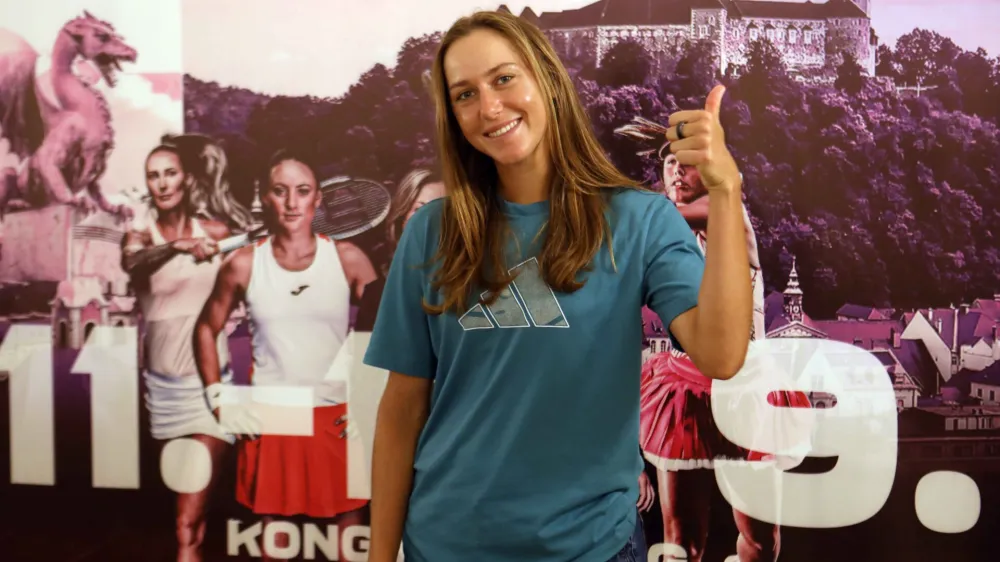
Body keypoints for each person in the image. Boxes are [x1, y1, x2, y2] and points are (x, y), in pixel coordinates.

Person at [363, 10, 753, 562]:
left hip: (592, 548)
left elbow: (721, 354)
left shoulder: (641, 220)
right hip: (444, 544)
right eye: (465, 94)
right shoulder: (430, 231)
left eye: (503, 79)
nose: (489, 107)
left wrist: (726, 190)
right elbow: (401, 410)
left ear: (547, 78)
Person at [193, 149, 377, 561]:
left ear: (318, 199)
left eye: (303, 191)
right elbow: (206, 328)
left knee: (350, 545)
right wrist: (218, 398)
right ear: (265, 197)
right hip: (273, 413)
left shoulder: (348, 258)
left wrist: (369, 401)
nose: (292, 202)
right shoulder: (243, 263)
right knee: (273, 544)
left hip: (336, 414)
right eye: (280, 191)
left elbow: (387, 332)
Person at [639, 152, 811, 562]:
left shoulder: (729, 214)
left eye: (689, 162)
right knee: (680, 544)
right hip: (684, 384)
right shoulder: (663, 240)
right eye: (669, 163)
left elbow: (646, 220)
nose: (677, 170)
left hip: (745, 384)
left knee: (759, 542)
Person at [120, 137, 237, 562]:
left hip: (209, 390)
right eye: (154, 176)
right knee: (188, 521)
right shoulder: (139, 237)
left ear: (186, 179)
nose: (163, 183)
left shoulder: (217, 233)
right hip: (163, 393)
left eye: (170, 173)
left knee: (187, 521)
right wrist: (178, 247)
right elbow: (133, 263)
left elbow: (250, 278)